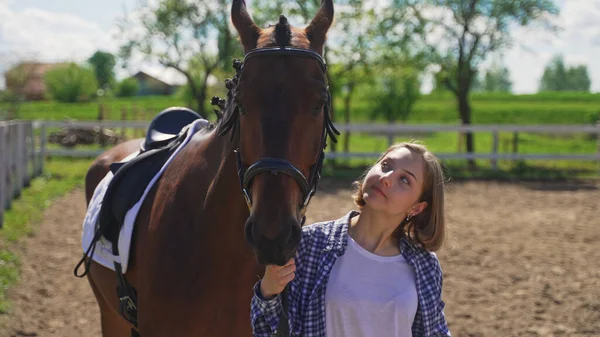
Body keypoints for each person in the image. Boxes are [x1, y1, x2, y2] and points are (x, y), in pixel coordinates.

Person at [251, 141, 451, 337]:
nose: (386, 178)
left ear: (417, 208)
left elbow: (435, 331)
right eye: (385, 166)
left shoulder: (425, 265)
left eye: (405, 180)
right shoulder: (309, 245)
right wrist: (268, 291)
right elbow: (267, 331)